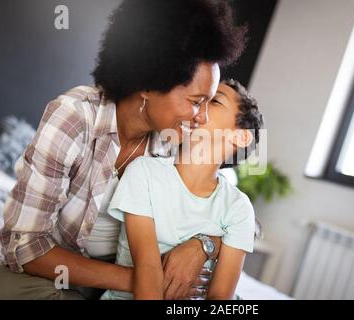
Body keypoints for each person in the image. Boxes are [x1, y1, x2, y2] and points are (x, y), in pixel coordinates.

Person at [0, 0, 246, 300]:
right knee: (2, 288)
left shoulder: (176, 139)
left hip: (135, 282)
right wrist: (140, 281)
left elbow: (238, 215)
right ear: (149, 83)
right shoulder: (75, 117)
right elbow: (24, 247)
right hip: (68, 271)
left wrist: (204, 244)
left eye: (209, 103)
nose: (202, 117)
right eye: (195, 101)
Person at [101, 79, 264, 300]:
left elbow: (220, 297)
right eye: (199, 100)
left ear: (241, 136)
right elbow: (147, 271)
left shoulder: (238, 207)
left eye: (214, 101)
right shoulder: (143, 172)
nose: (199, 109)